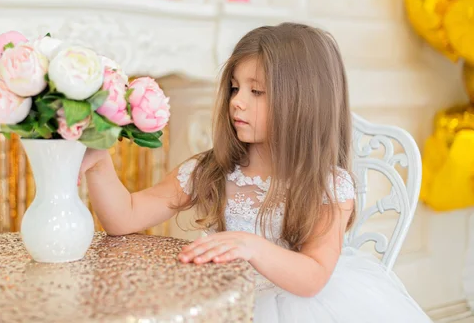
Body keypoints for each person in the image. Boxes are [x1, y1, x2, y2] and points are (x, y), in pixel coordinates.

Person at [80, 23, 431, 322]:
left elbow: (313, 277)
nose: (237, 101)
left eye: (256, 91)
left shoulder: (327, 186)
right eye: (234, 88)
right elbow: (124, 218)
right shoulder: (212, 169)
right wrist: (99, 161)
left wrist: (252, 247)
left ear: (302, 102)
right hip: (223, 302)